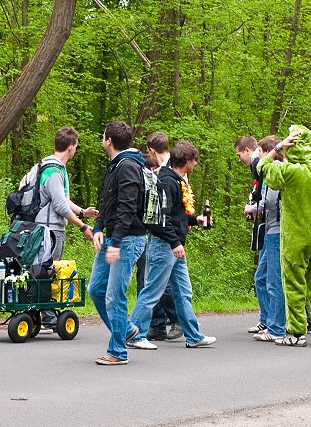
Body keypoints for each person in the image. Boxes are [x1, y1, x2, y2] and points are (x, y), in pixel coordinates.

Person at [127, 140, 216, 350]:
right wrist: (174, 242)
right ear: (186, 160)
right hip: (165, 245)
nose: (195, 165)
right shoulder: (167, 181)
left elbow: (177, 215)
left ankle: (193, 335)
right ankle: (133, 334)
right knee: (152, 291)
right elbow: (162, 218)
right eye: (194, 161)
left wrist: (196, 220)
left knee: (183, 292)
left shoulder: (177, 180)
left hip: (175, 247)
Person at [257, 125, 311, 347]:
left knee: (293, 281)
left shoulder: (290, 172)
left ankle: (297, 332)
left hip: (297, 235)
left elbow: (262, 167)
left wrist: (279, 146)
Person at [17, 127, 98, 333]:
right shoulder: (54, 170)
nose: (76, 150)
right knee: (46, 271)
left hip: (38, 227)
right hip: (50, 230)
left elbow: (61, 199)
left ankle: (37, 313)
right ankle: (48, 317)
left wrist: (82, 212)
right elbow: (60, 206)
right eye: (76, 147)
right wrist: (83, 227)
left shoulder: (43, 166)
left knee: (39, 270)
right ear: (71, 148)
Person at [88, 121, 148, 366]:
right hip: (112, 236)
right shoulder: (115, 166)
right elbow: (107, 201)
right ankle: (126, 329)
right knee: (96, 288)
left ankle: (118, 352)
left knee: (115, 295)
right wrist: (99, 227)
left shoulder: (129, 167)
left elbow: (127, 207)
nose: (102, 140)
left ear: (109, 140)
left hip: (128, 238)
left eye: (103, 136)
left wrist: (118, 240)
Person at [138, 131, 182, 342]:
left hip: (165, 235)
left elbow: (167, 212)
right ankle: (159, 325)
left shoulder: (168, 173)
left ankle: (136, 328)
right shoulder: (169, 170)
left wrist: (174, 238)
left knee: (156, 285)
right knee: (165, 283)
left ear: (152, 150)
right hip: (161, 233)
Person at [244, 136, 286, 342]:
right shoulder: (275, 169)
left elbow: (269, 202)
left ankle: (277, 328)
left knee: (274, 281)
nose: (256, 158)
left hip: (276, 231)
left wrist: (252, 208)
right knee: (261, 278)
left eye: (258, 152)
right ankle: (271, 321)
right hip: (271, 230)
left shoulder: (275, 170)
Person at [234, 135, 267, 335]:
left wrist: (254, 207)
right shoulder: (256, 171)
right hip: (264, 226)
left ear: (248, 150)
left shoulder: (258, 163)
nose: (240, 160)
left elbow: (269, 197)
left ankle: (271, 321)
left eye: (239, 155)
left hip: (271, 228)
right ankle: (266, 319)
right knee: (263, 277)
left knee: (263, 277)